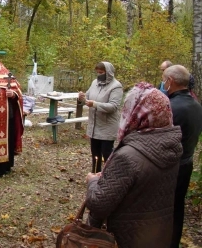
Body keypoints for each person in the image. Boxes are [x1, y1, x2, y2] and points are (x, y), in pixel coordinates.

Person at [86, 82, 183, 248]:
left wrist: (92, 182)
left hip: (126, 237)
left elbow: (99, 204)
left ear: (136, 112)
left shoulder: (128, 156)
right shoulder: (172, 147)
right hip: (159, 235)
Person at [161, 65, 202, 248]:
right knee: (178, 207)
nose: (163, 83)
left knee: (163, 208)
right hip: (187, 163)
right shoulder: (197, 105)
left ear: (170, 81)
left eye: (164, 79)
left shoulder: (169, 107)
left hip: (168, 167)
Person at [78, 61, 123, 173]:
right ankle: (95, 175)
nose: (99, 74)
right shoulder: (95, 83)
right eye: (97, 72)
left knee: (107, 154)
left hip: (107, 126)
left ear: (108, 73)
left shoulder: (116, 86)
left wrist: (95, 104)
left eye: (101, 72)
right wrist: (82, 98)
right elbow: (87, 97)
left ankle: (109, 177)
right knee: (95, 153)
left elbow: (113, 106)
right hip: (94, 125)